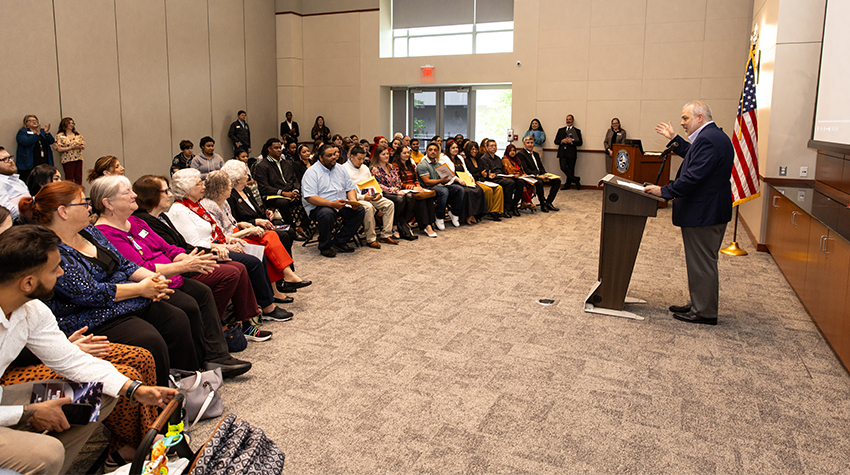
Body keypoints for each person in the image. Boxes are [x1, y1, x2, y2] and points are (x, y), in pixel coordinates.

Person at [0, 225, 177, 475]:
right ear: (28, 282)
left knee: (100, 392)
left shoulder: (32, 310)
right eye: (54, 269)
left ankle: (45, 465)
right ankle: (40, 458)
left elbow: (71, 360)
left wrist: (134, 389)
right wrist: (26, 413)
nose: (61, 272)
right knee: (48, 453)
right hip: (7, 404)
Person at [19, 182, 193, 387]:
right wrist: (140, 288)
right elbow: (89, 293)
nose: (89, 208)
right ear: (63, 212)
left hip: (123, 299)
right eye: (82, 203)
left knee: (176, 318)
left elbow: (123, 263)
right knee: (150, 340)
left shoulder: (89, 231)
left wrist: (153, 279)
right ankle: (161, 397)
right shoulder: (50, 248)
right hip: (90, 316)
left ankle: (189, 384)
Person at [90, 175, 252, 378]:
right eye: (127, 192)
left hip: (174, 276)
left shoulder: (135, 221)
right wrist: (183, 266)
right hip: (153, 285)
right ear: (108, 203)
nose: (134, 195)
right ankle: (193, 368)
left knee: (203, 293)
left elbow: (168, 248)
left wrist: (189, 259)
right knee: (187, 306)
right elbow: (139, 268)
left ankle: (217, 355)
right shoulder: (105, 233)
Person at [132, 175, 277, 336]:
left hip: (192, 256)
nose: (170, 195)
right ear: (152, 195)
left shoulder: (162, 216)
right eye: (165, 191)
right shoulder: (155, 218)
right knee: (236, 270)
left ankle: (245, 321)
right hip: (180, 266)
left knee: (241, 265)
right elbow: (176, 249)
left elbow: (181, 245)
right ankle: (215, 326)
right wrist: (212, 251)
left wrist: (216, 248)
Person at [166, 169, 290, 333]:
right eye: (198, 184)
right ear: (186, 189)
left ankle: (266, 302)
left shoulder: (194, 205)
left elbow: (215, 231)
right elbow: (193, 244)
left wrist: (228, 240)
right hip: (204, 253)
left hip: (217, 245)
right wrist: (224, 245)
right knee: (250, 262)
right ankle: (264, 308)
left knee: (256, 254)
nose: (203, 186)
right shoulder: (180, 211)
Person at [644, 101, 734, 326]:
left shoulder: (709, 139)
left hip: (704, 212)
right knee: (699, 261)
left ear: (700, 117)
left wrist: (664, 191)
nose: (682, 122)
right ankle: (698, 302)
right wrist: (674, 139)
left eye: (685, 118)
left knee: (702, 262)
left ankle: (704, 311)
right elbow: (694, 156)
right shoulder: (712, 136)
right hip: (707, 210)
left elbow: (694, 176)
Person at [203, 170, 310, 294]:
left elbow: (231, 223)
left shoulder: (223, 201)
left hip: (236, 231)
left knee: (271, 235)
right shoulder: (210, 207)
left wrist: (241, 224)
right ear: (221, 189)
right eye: (228, 185)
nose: (230, 187)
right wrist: (247, 230)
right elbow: (221, 236)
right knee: (262, 247)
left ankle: (286, 275)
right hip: (229, 240)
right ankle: (274, 290)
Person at [301, 144, 366, 257]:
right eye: (329, 155)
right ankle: (325, 246)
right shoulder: (312, 172)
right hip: (320, 205)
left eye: (334, 154)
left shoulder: (340, 169)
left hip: (340, 202)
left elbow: (350, 188)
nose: (334, 157)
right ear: (321, 158)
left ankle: (340, 241)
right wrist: (331, 204)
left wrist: (353, 201)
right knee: (327, 213)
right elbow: (310, 197)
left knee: (359, 210)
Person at [344, 147, 397, 249]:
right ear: (352, 157)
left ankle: (386, 235)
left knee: (389, 204)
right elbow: (346, 192)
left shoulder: (364, 167)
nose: (361, 161)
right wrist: (363, 197)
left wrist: (379, 194)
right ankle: (371, 239)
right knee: (368, 207)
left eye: (363, 159)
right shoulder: (344, 169)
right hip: (356, 198)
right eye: (359, 159)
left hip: (370, 195)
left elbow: (373, 183)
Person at [253, 138, 304, 231]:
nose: (279, 150)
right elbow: (264, 187)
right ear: (269, 149)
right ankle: (291, 229)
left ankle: (303, 227)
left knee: (308, 198)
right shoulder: (262, 166)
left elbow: (295, 179)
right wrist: (282, 193)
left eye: (280, 148)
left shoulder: (287, 163)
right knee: (283, 203)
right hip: (273, 196)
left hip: (290, 193)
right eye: (276, 148)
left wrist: (295, 191)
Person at [371, 146, 418, 241]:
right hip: (383, 193)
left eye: (387, 154)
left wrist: (396, 188)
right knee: (400, 199)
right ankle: (395, 225)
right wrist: (392, 190)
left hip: (395, 191)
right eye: (383, 154)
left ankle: (403, 222)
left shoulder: (391, 166)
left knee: (410, 196)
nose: (386, 156)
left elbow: (398, 180)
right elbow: (377, 185)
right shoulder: (375, 169)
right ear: (378, 156)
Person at [417, 143, 466, 230]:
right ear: (426, 152)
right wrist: (441, 181)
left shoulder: (438, 164)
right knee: (444, 191)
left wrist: (448, 178)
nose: (433, 152)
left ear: (438, 153)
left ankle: (454, 213)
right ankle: (439, 217)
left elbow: (445, 178)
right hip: (427, 188)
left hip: (440, 185)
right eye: (430, 150)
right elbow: (427, 182)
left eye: (435, 150)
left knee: (459, 189)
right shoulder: (422, 165)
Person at [392, 146, 437, 238]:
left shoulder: (411, 166)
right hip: (404, 190)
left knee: (427, 197)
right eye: (404, 153)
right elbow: (398, 182)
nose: (407, 155)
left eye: (408, 153)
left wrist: (418, 186)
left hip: (415, 188)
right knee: (420, 200)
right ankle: (426, 226)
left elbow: (416, 179)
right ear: (399, 154)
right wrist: (412, 187)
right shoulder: (395, 166)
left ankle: (430, 223)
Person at [443, 140, 485, 224]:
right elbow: (447, 174)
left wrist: (471, 177)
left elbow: (466, 170)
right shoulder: (444, 159)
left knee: (478, 189)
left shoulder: (460, 157)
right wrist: (458, 180)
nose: (455, 149)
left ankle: (475, 214)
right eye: (453, 148)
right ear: (448, 149)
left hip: (464, 179)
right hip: (453, 181)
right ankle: (467, 216)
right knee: (467, 192)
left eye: (456, 147)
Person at [516, 135, 561, 212]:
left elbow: (541, 167)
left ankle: (548, 202)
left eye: (531, 143)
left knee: (557, 181)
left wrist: (545, 175)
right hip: (530, 177)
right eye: (528, 143)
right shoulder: (521, 154)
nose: (530, 144)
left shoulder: (536, 154)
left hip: (540, 175)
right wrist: (538, 176)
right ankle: (543, 204)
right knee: (539, 182)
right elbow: (526, 169)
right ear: (524, 144)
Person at [463, 141, 504, 221]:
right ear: (468, 150)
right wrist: (480, 174)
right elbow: (469, 174)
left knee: (499, 188)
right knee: (488, 190)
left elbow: (484, 172)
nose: (474, 151)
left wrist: (488, 175)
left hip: (482, 180)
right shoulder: (466, 161)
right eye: (472, 149)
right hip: (473, 181)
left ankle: (496, 210)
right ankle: (489, 211)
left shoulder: (479, 160)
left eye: (476, 149)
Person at [480, 139, 522, 217]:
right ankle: (506, 208)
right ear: (487, 147)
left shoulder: (498, 158)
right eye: (491, 146)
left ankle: (514, 205)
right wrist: (497, 175)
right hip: (492, 179)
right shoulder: (484, 159)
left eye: (495, 146)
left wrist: (509, 176)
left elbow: (503, 170)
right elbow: (487, 174)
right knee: (510, 183)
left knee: (520, 182)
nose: (494, 147)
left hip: (501, 177)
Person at [15, 115, 55, 182]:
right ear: (26, 123)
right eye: (31, 120)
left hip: (43, 161)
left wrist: (47, 133)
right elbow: (25, 141)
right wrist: (36, 135)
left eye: (35, 120)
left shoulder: (42, 131)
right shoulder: (23, 132)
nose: (34, 122)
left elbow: (51, 141)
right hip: (30, 162)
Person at [0, 147, 32, 220]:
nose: (11, 161)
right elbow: (6, 210)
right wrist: (32, 209)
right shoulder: (1, 183)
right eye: (5, 159)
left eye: (10, 157)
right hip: (17, 222)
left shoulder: (18, 180)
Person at [501, 144, 536, 211]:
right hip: (511, 178)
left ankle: (525, 202)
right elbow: (510, 171)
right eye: (510, 151)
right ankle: (525, 202)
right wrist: (520, 175)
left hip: (520, 177)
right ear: (507, 151)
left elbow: (521, 169)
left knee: (529, 183)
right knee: (522, 184)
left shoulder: (516, 159)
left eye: (514, 150)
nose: (512, 152)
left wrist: (523, 174)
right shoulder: (505, 159)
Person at [554, 114, 583, 190]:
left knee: (571, 169)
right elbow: (556, 141)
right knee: (563, 167)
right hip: (562, 152)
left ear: (573, 120)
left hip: (571, 152)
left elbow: (580, 143)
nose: (568, 121)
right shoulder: (561, 130)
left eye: (569, 119)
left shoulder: (577, 131)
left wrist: (572, 142)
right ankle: (575, 179)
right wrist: (562, 141)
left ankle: (567, 185)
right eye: (567, 119)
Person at [54, 117, 85, 185]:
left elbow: (83, 146)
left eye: (73, 123)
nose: (71, 125)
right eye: (69, 123)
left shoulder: (77, 135)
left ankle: (79, 190)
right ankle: (70, 191)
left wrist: (79, 146)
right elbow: (58, 148)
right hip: (67, 159)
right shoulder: (60, 136)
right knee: (69, 178)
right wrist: (71, 147)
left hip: (78, 158)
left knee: (78, 177)